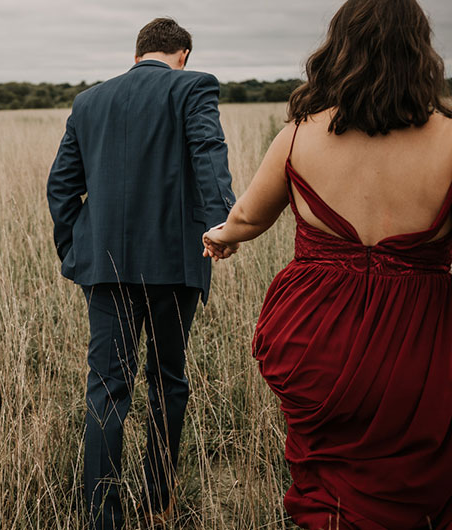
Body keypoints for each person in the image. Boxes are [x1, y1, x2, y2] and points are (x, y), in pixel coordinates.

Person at [201, 0, 452, 528]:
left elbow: (246, 217)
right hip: (420, 346)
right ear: (420, 52)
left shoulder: (298, 134)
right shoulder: (450, 141)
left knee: (327, 493)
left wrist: (220, 237)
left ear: (339, 49)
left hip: (318, 342)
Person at [47, 17, 235, 530]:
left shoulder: (89, 101)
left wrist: (78, 249)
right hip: (176, 266)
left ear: (137, 54)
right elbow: (208, 154)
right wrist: (224, 225)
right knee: (167, 381)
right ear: (184, 54)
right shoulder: (194, 86)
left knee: (107, 389)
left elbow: (61, 188)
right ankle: (156, 503)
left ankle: (102, 519)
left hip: (104, 268)